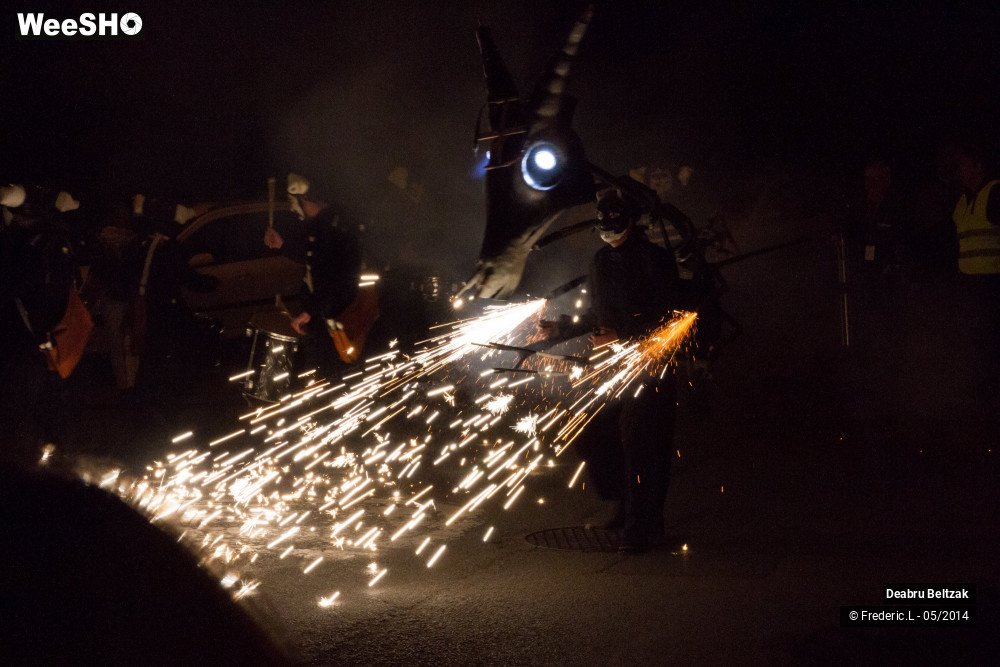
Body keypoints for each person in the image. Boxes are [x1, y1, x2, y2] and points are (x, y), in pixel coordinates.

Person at [538, 190, 688, 551]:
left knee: (643, 444)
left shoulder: (655, 260)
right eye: (603, 223)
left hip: (651, 365)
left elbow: (673, 316)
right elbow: (597, 314)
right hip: (610, 367)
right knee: (593, 433)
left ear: (632, 221)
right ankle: (626, 503)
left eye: (614, 222)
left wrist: (627, 334)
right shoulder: (601, 261)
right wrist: (561, 329)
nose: (608, 229)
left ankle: (643, 527)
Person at [263, 173, 363, 376]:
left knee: (336, 371)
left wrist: (311, 310)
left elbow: (338, 281)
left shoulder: (334, 229)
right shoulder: (319, 227)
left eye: (297, 202)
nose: (295, 208)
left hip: (336, 315)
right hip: (322, 313)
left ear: (308, 200)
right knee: (321, 368)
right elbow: (312, 257)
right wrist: (283, 245)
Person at [944, 142, 1000, 411]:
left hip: (991, 284)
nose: (960, 172)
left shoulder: (994, 193)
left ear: (979, 167)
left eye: (965, 167)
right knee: (974, 347)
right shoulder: (963, 201)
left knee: (990, 347)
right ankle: (979, 402)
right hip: (968, 285)